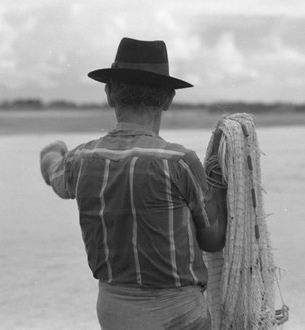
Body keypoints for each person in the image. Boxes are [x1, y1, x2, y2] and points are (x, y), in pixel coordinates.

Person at [39, 37, 227, 329]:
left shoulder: (80, 159)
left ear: (109, 94)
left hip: (115, 314)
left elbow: (52, 173)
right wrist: (223, 185)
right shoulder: (180, 162)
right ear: (168, 99)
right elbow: (213, 240)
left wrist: (52, 151)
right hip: (180, 316)